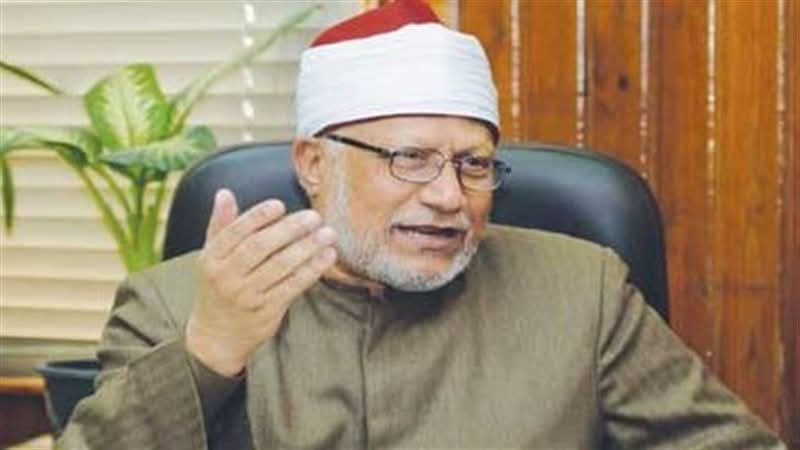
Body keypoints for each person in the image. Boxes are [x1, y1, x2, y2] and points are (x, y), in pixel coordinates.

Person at [59, 0, 787, 449]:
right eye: (409, 159)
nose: (448, 196)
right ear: (314, 164)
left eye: (474, 164)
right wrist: (208, 353)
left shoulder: (580, 291)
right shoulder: (173, 304)